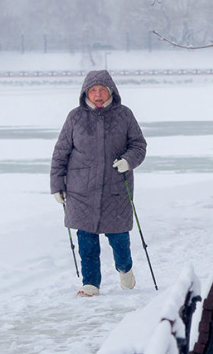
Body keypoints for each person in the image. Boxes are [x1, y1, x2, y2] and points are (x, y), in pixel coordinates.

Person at [50, 70, 147, 297]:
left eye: (102, 89)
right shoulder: (75, 117)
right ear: (86, 93)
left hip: (116, 188)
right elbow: (60, 153)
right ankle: (91, 284)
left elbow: (139, 145)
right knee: (86, 242)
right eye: (93, 90)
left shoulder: (124, 115)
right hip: (81, 190)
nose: (98, 95)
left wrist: (128, 161)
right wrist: (56, 185)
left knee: (119, 240)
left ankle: (125, 270)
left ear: (111, 90)